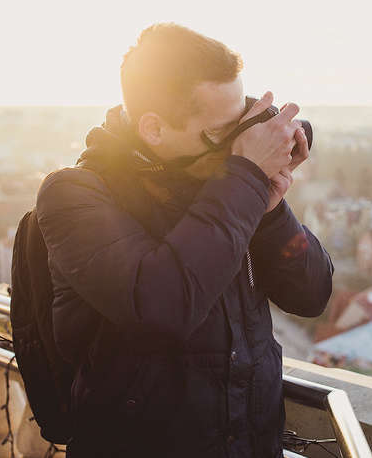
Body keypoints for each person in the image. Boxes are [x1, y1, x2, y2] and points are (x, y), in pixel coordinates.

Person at [35, 23, 334, 457]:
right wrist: (246, 177)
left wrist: (268, 208)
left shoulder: (230, 186)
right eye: (221, 131)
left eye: (242, 122)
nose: (238, 142)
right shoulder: (75, 195)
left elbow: (312, 296)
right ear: (153, 129)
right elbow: (162, 306)